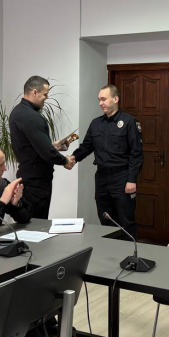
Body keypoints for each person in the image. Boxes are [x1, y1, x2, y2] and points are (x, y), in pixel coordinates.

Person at [70, 84, 143, 240]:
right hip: (102, 178)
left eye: (103, 99)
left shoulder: (129, 122)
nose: (100, 103)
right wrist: (73, 158)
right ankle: (111, 252)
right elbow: (86, 146)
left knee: (126, 220)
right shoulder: (96, 123)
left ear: (115, 99)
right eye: (99, 100)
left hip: (122, 177)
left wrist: (132, 179)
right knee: (106, 219)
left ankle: (129, 253)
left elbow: (136, 154)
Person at [9, 75, 74, 219]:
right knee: (37, 223)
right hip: (36, 182)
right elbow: (47, 153)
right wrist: (65, 161)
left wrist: (50, 145)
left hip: (28, 175)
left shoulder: (17, 112)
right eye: (45, 94)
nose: (47, 97)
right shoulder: (32, 117)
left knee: (30, 220)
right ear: (34, 92)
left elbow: (31, 145)